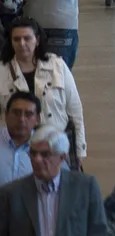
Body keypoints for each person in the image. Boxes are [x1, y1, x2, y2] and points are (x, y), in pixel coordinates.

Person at [0, 19, 84, 163]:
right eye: (16, 39)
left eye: (27, 38)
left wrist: (79, 149)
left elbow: (75, 110)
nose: (22, 44)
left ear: (37, 40)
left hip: (56, 145)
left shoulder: (57, 66)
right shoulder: (2, 71)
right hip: (16, 150)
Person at [0, 91, 39, 185]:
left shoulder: (49, 146)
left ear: (37, 119)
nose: (21, 119)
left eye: (28, 114)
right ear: (6, 115)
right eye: (16, 113)